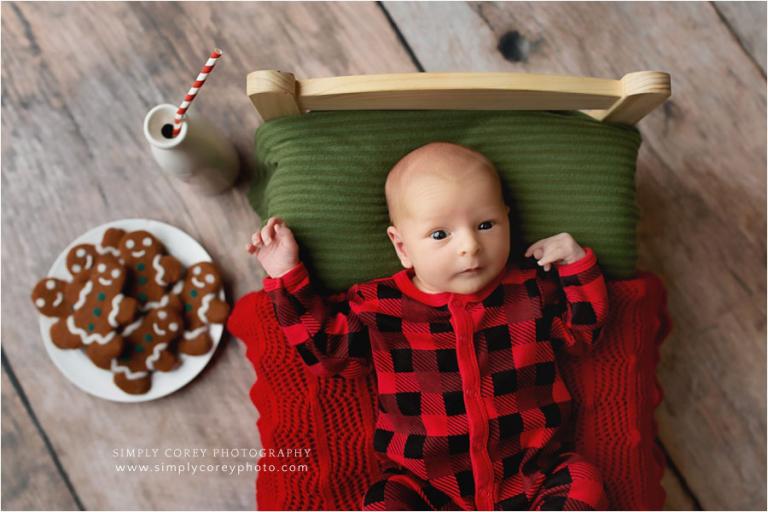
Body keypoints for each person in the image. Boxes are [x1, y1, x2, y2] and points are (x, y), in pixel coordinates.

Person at [247, 142, 610, 510]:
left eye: (486, 225)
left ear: (508, 219)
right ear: (402, 246)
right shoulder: (379, 305)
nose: (470, 246)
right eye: (440, 234)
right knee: (383, 502)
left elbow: (582, 334)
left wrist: (576, 265)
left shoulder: (529, 290)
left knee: (582, 484)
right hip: (427, 488)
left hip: (534, 476)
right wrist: (286, 275)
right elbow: (329, 355)